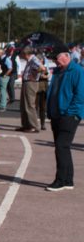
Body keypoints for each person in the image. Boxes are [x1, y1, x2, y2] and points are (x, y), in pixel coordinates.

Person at [46, 48, 84, 191]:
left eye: (56, 58)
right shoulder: (57, 71)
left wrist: (71, 113)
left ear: (66, 56)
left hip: (69, 115)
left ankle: (60, 180)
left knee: (61, 146)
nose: (55, 61)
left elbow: (80, 95)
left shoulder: (77, 71)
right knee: (63, 147)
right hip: (56, 114)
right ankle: (68, 180)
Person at [19, 47, 45, 133]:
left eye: (22, 53)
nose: (21, 55)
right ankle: (26, 125)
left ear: (26, 54)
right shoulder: (30, 60)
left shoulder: (34, 59)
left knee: (29, 104)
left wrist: (35, 73)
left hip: (30, 83)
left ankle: (34, 126)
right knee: (24, 104)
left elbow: (42, 68)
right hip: (27, 82)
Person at [0, 44, 16, 111]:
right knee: (2, 90)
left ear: (1, 53)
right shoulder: (2, 59)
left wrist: (5, 75)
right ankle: (2, 103)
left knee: (3, 90)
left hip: (4, 76)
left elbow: (10, 68)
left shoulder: (6, 59)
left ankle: (3, 105)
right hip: (2, 76)